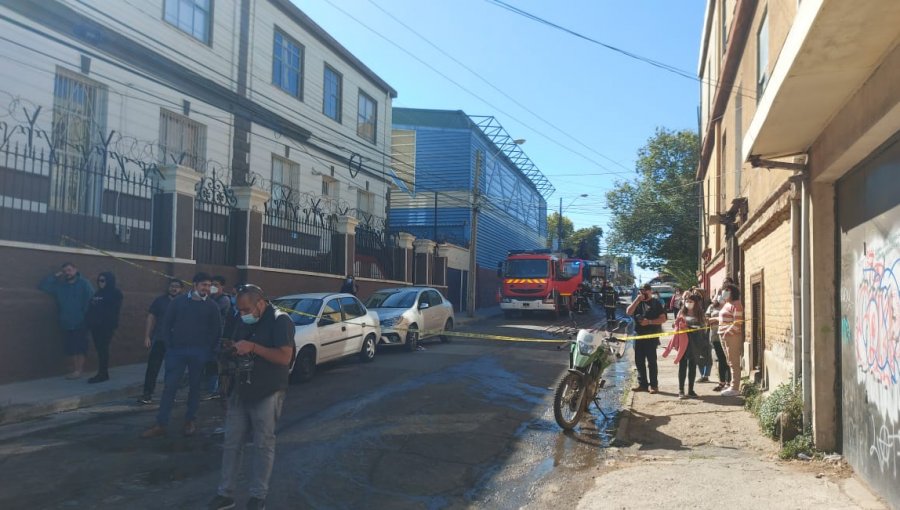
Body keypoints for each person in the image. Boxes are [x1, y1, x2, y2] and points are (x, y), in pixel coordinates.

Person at [208, 284, 294, 510]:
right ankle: (225, 493)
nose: (242, 314)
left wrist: (253, 347)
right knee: (231, 443)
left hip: (268, 390)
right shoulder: (241, 318)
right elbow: (238, 342)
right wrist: (232, 348)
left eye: (246, 310)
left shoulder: (279, 320)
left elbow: (285, 357)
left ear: (260, 303)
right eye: (240, 310)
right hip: (241, 388)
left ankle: (258, 496)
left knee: (262, 444)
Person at [142, 273, 222, 438]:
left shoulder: (212, 306)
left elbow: (216, 331)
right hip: (177, 352)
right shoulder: (178, 302)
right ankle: (161, 424)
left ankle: (190, 421)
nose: (206, 288)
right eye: (203, 285)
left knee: (195, 388)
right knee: (170, 387)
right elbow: (166, 324)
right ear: (194, 285)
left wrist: (210, 352)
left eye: (208, 285)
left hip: (199, 354)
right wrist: (170, 347)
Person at [39, 262, 94, 379]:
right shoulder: (60, 286)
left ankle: (78, 371)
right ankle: (76, 370)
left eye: (69, 270)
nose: (67, 273)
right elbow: (43, 286)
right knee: (71, 347)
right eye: (65, 271)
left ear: (75, 270)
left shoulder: (84, 283)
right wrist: (55, 276)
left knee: (80, 347)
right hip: (66, 322)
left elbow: (91, 299)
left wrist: (86, 317)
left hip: (81, 321)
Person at [138, 279, 183, 405]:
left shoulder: (184, 302)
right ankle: (147, 394)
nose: (174, 288)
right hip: (160, 339)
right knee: (153, 367)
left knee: (173, 369)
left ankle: (170, 395)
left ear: (181, 289)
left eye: (177, 287)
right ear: (168, 287)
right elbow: (151, 317)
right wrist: (147, 336)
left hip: (177, 342)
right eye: (172, 286)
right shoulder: (160, 301)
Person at [626, 283, 667, 394]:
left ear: (650, 291)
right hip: (638, 336)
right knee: (639, 361)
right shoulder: (637, 302)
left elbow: (663, 319)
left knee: (651, 362)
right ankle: (642, 384)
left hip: (651, 336)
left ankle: (653, 385)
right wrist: (637, 300)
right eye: (641, 291)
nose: (643, 293)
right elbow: (628, 312)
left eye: (645, 291)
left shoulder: (656, 303)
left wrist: (649, 322)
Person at [85, 272, 123, 384]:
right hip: (95, 326)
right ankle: (102, 372)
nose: (100, 283)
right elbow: (92, 308)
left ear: (109, 281)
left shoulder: (115, 293)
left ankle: (103, 373)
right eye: (99, 281)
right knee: (99, 349)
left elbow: (112, 310)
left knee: (103, 349)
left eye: (103, 280)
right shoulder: (97, 293)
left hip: (106, 326)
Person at [205, 276, 233, 400]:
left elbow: (209, 312)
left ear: (222, 287)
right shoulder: (209, 298)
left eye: (216, 285)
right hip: (208, 336)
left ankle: (214, 390)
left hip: (218, 337)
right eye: (212, 284)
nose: (213, 287)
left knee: (214, 363)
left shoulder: (224, 300)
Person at [677, 292, 706, 399]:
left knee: (693, 366)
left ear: (695, 303)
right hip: (683, 342)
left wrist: (694, 328)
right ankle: (681, 390)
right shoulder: (681, 312)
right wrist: (680, 326)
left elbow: (703, 327)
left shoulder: (700, 314)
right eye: (687, 301)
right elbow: (675, 325)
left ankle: (691, 390)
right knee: (683, 365)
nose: (688, 303)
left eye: (691, 301)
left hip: (696, 342)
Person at [718, 283, 744, 397]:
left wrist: (727, 333)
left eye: (726, 290)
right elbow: (725, 319)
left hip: (731, 336)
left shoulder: (736, 304)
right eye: (724, 290)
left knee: (733, 361)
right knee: (729, 361)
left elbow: (737, 323)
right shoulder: (726, 304)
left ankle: (735, 387)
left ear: (732, 292)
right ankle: (732, 385)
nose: (724, 292)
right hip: (723, 334)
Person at [706, 293, 730, 391]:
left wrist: (715, 319)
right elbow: (706, 319)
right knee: (721, 359)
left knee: (728, 359)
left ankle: (729, 382)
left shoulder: (729, 306)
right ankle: (722, 382)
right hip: (715, 336)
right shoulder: (712, 307)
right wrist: (717, 319)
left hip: (726, 336)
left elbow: (728, 320)